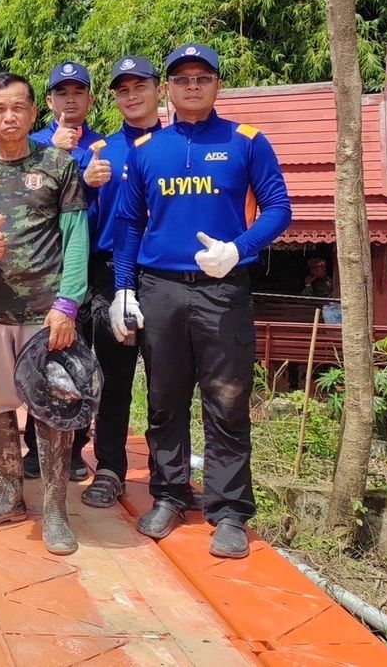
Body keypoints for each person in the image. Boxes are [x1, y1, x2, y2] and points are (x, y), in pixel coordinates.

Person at [112, 43, 291, 559]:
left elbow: (279, 208)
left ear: (217, 85)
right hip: (161, 288)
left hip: (223, 288)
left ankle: (229, 511)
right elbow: (128, 222)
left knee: (228, 402)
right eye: (182, 78)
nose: (192, 85)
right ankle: (169, 495)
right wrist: (124, 287)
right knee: (165, 399)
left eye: (202, 77)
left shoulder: (246, 141)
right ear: (167, 88)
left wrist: (240, 248)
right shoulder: (147, 149)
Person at [0, 72, 89, 555]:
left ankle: (55, 511)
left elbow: (76, 236)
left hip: (45, 314)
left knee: (53, 408)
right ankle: (6, 496)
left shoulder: (58, 164)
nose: (9, 117)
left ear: (34, 112)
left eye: (18, 107)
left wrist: (67, 303)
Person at [77, 56, 162, 509]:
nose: (131, 96)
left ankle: (170, 477)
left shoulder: (176, 146)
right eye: (122, 90)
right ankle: (110, 468)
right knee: (113, 378)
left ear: (158, 90)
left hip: (165, 274)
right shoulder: (100, 151)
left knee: (168, 380)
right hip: (111, 274)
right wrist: (86, 185)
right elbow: (78, 223)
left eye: (139, 87)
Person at [23, 60, 101, 481]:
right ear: (49, 101)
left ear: (90, 98)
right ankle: (33, 448)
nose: (70, 99)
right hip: (40, 271)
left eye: (78, 92)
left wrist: (92, 178)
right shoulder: (33, 145)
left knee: (75, 364)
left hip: (85, 269)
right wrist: (56, 153)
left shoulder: (103, 146)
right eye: (62, 93)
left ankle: (73, 450)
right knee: (39, 361)